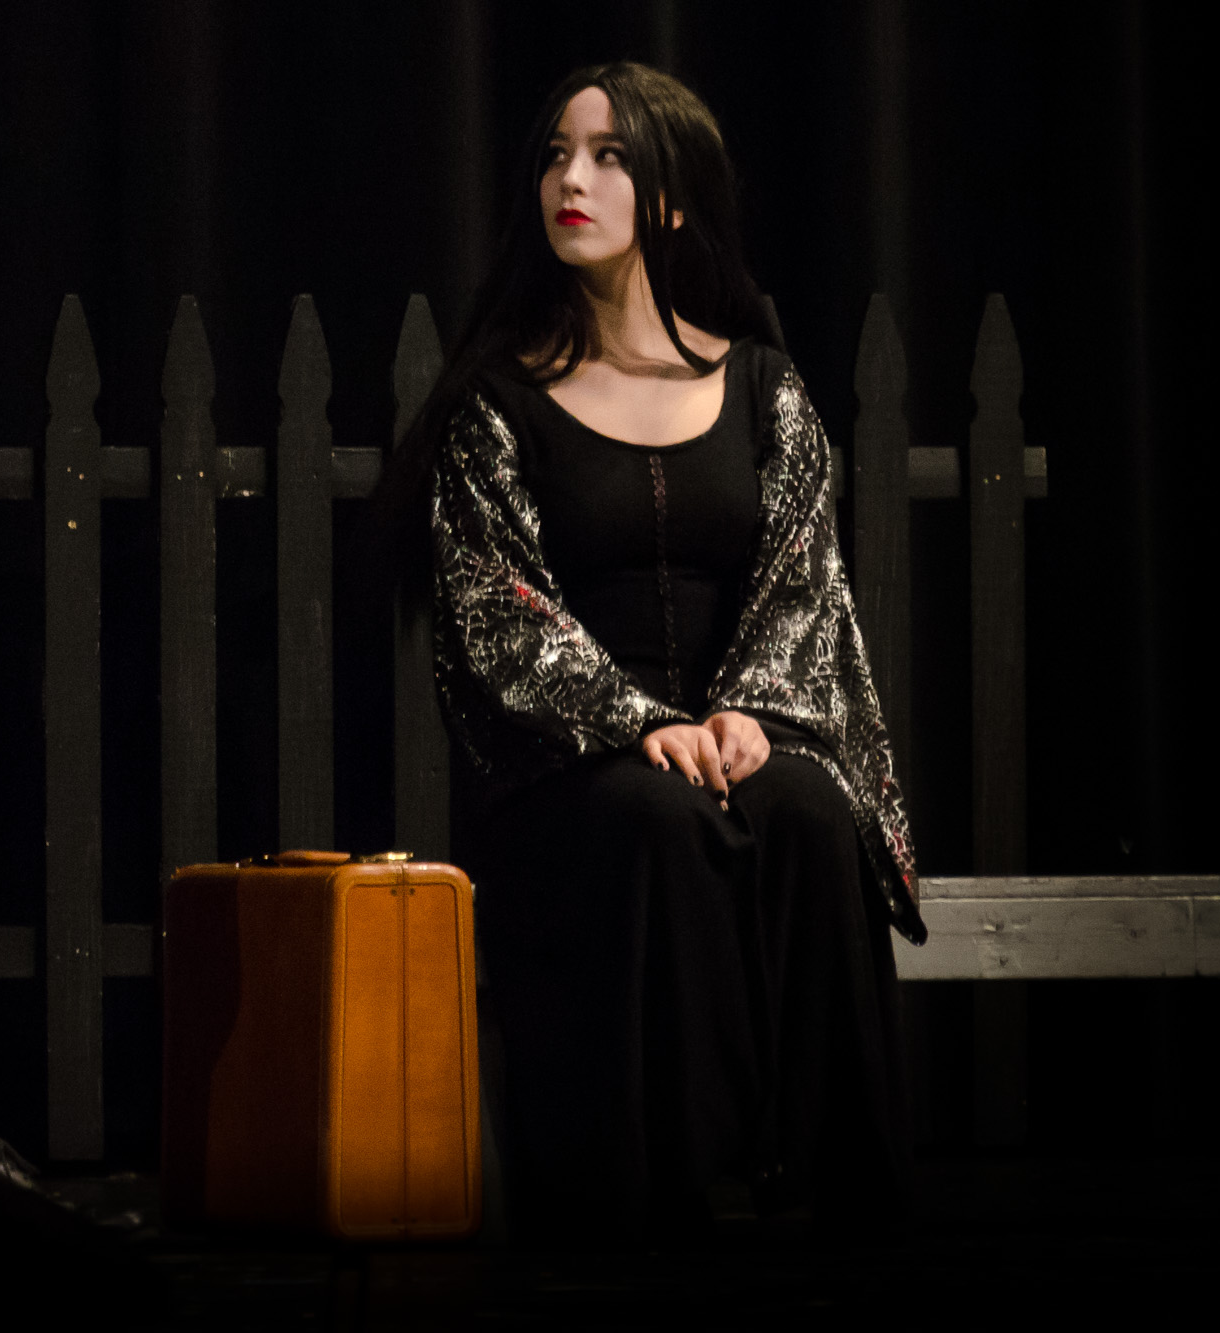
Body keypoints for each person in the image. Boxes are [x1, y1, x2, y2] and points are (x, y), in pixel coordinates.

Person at [391, 61, 922, 1232]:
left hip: (737, 732)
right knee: (658, 817)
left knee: (806, 811)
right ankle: (666, 1199)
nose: (568, 180)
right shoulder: (497, 402)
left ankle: (837, 1198)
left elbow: (802, 583)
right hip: (571, 764)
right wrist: (636, 722)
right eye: (553, 155)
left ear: (671, 198)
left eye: (607, 156)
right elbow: (496, 609)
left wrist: (748, 714)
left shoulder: (762, 387)